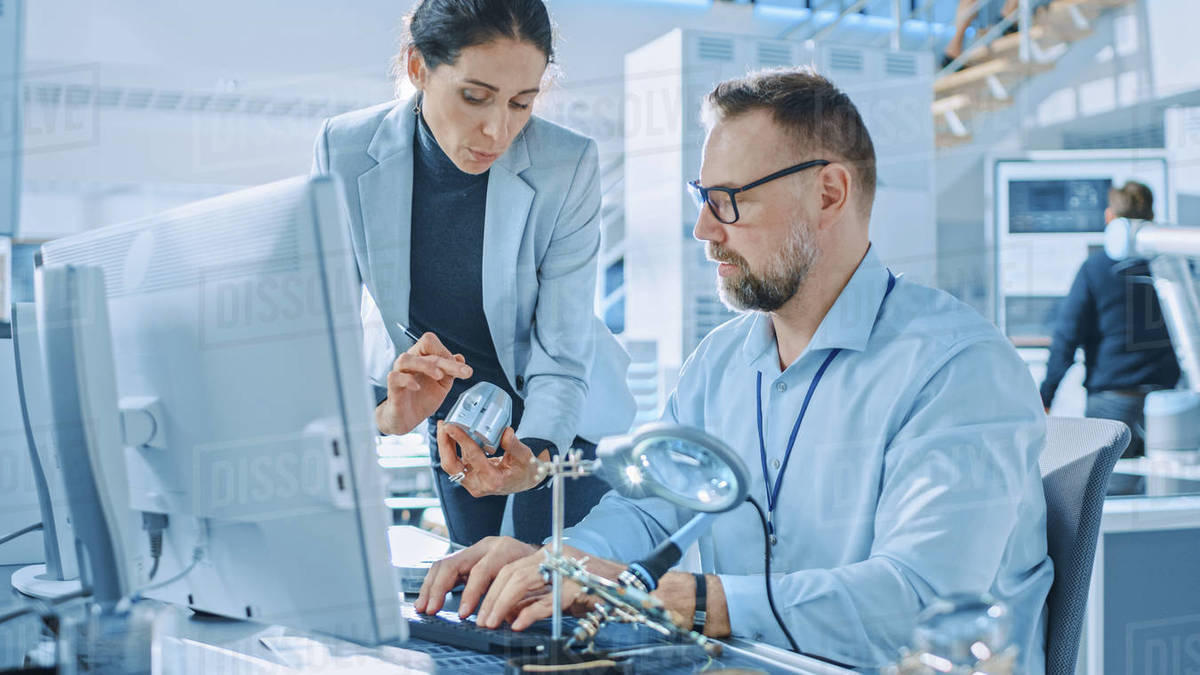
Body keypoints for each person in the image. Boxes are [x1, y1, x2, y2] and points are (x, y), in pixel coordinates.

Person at [415, 68, 1054, 671]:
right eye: (703, 198)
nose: (702, 229)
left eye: (727, 201)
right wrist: (556, 565)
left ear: (828, 192)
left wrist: (688, 599)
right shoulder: (721, 361)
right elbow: (646, 510)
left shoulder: (958, 370)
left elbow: (921, 604)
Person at [311, 0, 635, 547]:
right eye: (475, 97)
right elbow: (327, 327)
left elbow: (561, 351)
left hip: (562, 421)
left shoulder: (567, 163)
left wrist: (535, 457)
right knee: (475, 593)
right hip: (457, 415)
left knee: (545, 590)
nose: (498, 130)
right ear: (418, 67)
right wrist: (384, 416)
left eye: (522, 103)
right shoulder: (344, 150)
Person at [1039, 181, 1179, 457]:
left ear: (1109, 218)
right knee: (1170, 490)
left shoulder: (1095, 269)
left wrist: (1046, 396)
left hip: (1112, 403)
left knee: (1111, 493)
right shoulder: (1172, 266)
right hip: (1168, 402)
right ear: (1150, 219)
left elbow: (1067, 337)